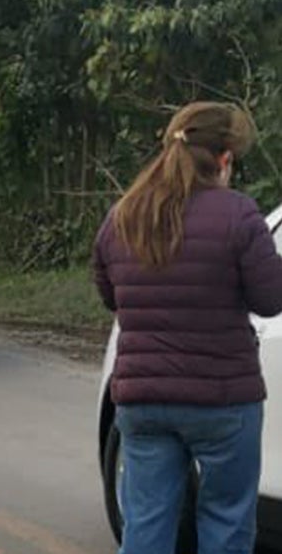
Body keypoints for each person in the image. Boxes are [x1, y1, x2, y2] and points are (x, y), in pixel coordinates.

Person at [93, 102, 282, 554]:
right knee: (226, 524)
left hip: (143, 403)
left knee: (147, 527)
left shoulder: (122, 216)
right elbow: (270, 299)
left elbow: (111, 296)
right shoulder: (239, 215)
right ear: (224, 159)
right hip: (223, 403)